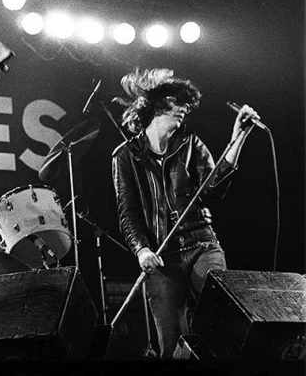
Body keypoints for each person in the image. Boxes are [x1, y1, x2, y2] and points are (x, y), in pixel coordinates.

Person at [111, 68, 260, 359]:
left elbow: (213, 189)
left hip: (202, 243)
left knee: (223, 313)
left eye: (185, 106)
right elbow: (128, 212)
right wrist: (141, 250)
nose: (182, 110)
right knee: (171, 344)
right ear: (154, 106)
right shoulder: (125, 156)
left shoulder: (190, 144)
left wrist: (238, 138)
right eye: (175, 103)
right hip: (161, 257)